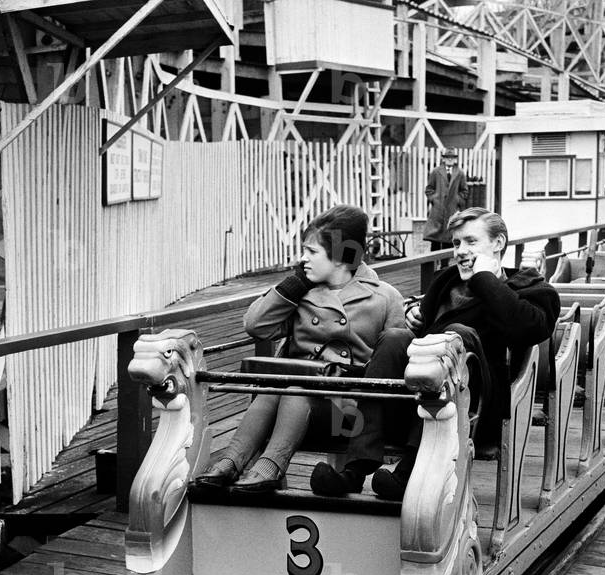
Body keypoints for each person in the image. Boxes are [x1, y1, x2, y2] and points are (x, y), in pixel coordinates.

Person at [311, 207, 560, 499]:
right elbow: (418, 345)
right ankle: (354, 471)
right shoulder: (445, 282)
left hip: (474, 408)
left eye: (471, 242)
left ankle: (409, 472)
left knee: (456, 334)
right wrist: (416, 320)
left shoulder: (530, 288)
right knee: (394, 338)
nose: (461, 251)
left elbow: (530, 329)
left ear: (499, 242)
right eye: (456, 244)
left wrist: (484, 279)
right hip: (416, 400)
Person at [194, 204, 407, 493]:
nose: (302, 258)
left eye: (312, 252)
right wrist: (295, 285)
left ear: (342, 257)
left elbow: (394, 360)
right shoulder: (300, 294)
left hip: (350, 415)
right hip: (296, 402)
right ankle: (232, 460)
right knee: (273, 391)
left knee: (294, 391)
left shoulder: (384, 298)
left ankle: (270, 465)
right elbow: (256, 325)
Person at [423, 149, 469, 252]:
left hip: (451, 211)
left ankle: (444, 266)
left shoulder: (460, 173)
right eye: (447, 157)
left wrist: (457, 199)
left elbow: (464, 191)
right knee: (435, 241)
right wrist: (434, 199)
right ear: (443, 159)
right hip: (438, 211)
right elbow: (429, 189)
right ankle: (433, 266)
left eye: (452, 158)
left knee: (448, 241)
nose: (450, 160)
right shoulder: (436, 172)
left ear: (455, 159)